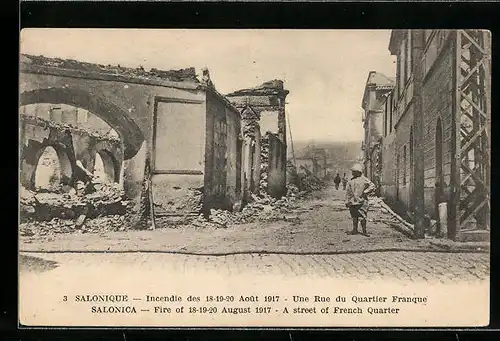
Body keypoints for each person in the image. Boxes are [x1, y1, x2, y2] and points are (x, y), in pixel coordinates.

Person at [345, 163, 376, 236]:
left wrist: (365, 192)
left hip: (362, 201)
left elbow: (372, 186)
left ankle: (364, 231)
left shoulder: (364, 179)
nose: (352, 173)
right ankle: (355, 229)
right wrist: (347, 201)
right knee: (354, 216)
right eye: (352, 171)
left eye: (354, 171)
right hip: (352, 201)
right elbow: (348, 192)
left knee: (363, 216)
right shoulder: (350, 181)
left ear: (358, 172)